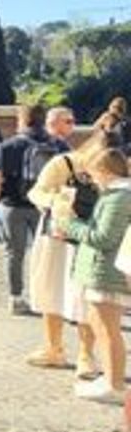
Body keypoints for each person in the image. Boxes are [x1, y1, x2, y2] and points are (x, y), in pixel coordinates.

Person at [24, 128, 109, 376]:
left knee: (84, 296)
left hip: (88, 239)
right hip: (56, 236)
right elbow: (36, 192)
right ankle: (53, 347)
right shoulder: (62, 163)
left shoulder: (113, 167)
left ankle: (86, 354)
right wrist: (55, 201)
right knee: (51, 288)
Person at [57, 148, 131, 403]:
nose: (92, 179)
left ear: (105, 172)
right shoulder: (116, 196)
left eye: (93, 174)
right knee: (101, 327)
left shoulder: (119, 198)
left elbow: (103, 237)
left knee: (108, 329)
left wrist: (69, 224)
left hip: (107, 271)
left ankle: (115, 384)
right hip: (101, 269)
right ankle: (111, 377)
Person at [0, 105, 54, 316]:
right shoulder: (57, 145)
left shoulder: (9, 145)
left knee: (14, 254)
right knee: (45, 253)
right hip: (44, 206)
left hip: (13, 205)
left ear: (22, 120)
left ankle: (16, 298)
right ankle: (46, 298)